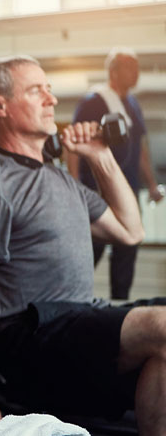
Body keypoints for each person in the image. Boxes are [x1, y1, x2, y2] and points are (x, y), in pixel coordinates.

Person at [0, 55, 166, 436]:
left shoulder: (60, 180)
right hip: (30, 334)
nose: (51, 100)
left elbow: (131, 231)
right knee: (161, 326)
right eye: (37, 91)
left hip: (80, 319)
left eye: (50, 90)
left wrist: (99, 155)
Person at [67, 48, 164, 300]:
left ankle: (120, 308)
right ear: (113, 71)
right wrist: (76, 185)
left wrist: (151, 184)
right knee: (90, 253)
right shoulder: (94, 101)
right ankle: (71, 302)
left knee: (127, 249)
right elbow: (74, 143)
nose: (136, 73)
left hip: (128, 190)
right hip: (97, 191)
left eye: (137, 67)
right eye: (129, 67)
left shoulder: (133, 104)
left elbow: (140, 148)